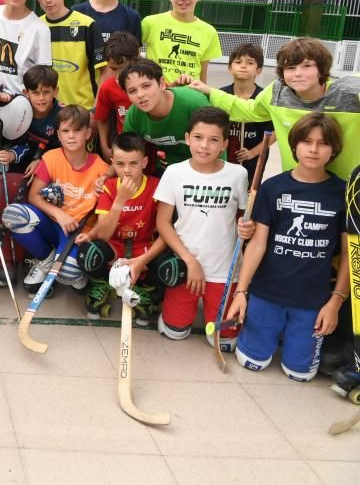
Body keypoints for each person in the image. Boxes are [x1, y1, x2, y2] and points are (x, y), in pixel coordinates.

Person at [227, 114, 348, 381]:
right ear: (294, 146)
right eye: (306, 142)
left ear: (334, 149)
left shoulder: (343, 193)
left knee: (300, 374)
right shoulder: (273, 187)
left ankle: (292, 337)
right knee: (251, 362)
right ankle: (269, 329)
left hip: (312, 300)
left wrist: (335, 302)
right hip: (266, 293)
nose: (314, 149)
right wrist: (242, 292)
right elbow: (257, 244)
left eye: (323, 143)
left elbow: (351, 256)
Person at [189, 36, 360, 181]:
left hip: (348, 186)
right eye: (291, 68)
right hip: (297, 183)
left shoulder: (350, 92)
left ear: (322, 68)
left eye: (307, 66)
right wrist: (210, 91)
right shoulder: (277, 93)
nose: (298, 73)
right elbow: (249, 110)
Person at [150, 107, 248, 345]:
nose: (204, 145)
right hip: (186, 266)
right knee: (174, 332)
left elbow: (244, 218)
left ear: (224, 144)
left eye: (214, 140)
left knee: (225, 341)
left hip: (225, 270)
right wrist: (189, 261)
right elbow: (163, 223)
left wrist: (248, 229)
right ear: (187, 138)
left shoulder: (238, 174)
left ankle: (217, 310)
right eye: (198, 137)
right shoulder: (174, 173)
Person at [2, 106, 109, 296]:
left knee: (67, 272)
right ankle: (45, 259)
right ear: (58, 135)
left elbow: (105, 215)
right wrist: (59, 214)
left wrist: (90, 234)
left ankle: (74, 269)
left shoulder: (102, 168)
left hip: (78, 232)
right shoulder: (51, 158)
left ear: (88, 133)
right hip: (52, 223)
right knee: (13, 215)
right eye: (66, 131)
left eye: (77, 130)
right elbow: (34, 196)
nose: (71, 136)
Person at [75, 132, 164, 324]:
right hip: (114, 245)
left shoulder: (156, 186)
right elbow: (104, 234)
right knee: (88, 253)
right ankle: (102, 284)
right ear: (113, 163)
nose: (127, 170)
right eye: (120, 164)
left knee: (168, 262)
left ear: (145, 162)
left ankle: (145, 289)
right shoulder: (110, 187)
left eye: (133, 163)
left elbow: (165, 231)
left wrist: (143, 259)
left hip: (142, 246)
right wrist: (120, 200)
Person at [120, 58, 211, 174]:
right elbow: (128, 153)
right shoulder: (133, 115)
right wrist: (106, 175)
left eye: (146, 86)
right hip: (164, 171)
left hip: (203, 169)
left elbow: (216, 146)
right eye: (132, 91)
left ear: (162, 84)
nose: (140, 94)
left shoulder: (194, 104)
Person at [35, 0, 106, 109]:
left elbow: (105, 71)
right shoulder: (35, 26)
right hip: (48, 112)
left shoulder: (87, 25)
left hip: (83, 112)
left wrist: (95, 110)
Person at [143, 0, 220, 84]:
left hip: (191, 97)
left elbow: (203, 77)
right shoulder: (150, 23)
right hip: (157, 96)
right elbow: (133, 57)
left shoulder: (209, 32)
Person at [218, 43, 272, 182]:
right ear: (230, 68)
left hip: (254, 158)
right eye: (238, 62)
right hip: (224, 156)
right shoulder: (220, 95)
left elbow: (274, 132)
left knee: (249, 194)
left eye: (250, 62)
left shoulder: (264, 97)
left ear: (258, 70)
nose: (243, 66)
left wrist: (253, 152)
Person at [93, 31, 141, 161]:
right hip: (122, 148)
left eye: (123, 67)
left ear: (136, 57)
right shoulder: (108, 87)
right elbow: (102, 119)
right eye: (113, 69)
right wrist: (105, 147)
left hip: (148, 150)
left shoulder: (150, 81)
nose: (119, 74)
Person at [22, 65, 63, 178]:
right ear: (26, 93)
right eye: (35, 92)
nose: (41, 98)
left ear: (55, 92)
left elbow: (67, 150)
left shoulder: (64, 116)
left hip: (52, 165)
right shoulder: (19, 109)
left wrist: (41, 161)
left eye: (46, 92)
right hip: (20, 159)